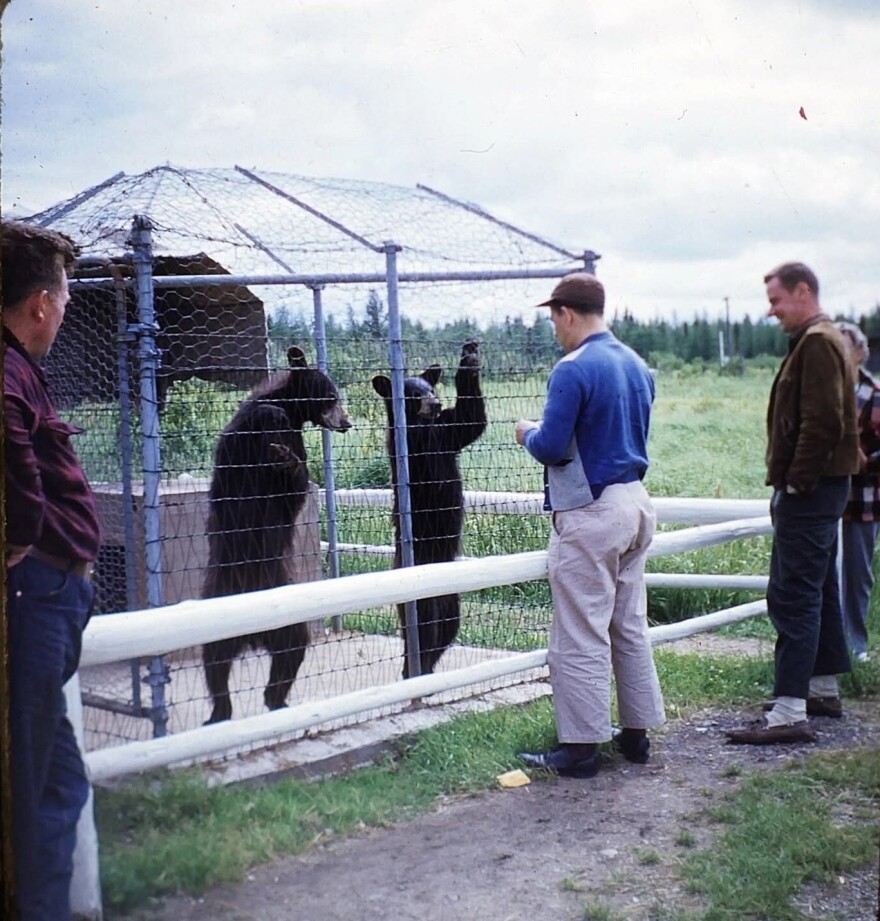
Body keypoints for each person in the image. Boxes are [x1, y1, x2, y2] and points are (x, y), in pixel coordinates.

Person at [513, 272, 665, 778]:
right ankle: (637, 735)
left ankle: (580, 749)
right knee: (629, 625)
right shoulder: (637, 364)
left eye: (554, 318)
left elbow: (553, 446)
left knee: (579, 631)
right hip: (636, 502)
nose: (554, 329)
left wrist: (526, 434)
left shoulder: (572, 369)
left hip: (592, 510)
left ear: (568, 313)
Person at [3, 221, 101, 920]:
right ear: (41, 301)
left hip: (47, 592)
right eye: (65, 296)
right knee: (32, 788)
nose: (66, 310)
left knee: (56, 781)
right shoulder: (8, 373)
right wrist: (23, 528)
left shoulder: (17, 366)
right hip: (34, 594)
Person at [727, 263, 858, 745]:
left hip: (813, 489)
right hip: (826, 487)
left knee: (793, 594)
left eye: (777, 300)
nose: (772, 310)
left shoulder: (818, 342)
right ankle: (819, 689)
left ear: (804, 292)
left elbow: (822, 422)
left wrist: (798, 484)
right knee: (818, 588)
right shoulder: (824, 338)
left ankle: (788, 712)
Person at [835, 321, 879, 663]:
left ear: (860, 352)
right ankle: (833, 647)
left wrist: (864, 463)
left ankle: (857, 646)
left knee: (857, 574)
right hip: (823, 500)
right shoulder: (823, 391)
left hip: (861, 501)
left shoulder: (873, 395)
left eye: (846, 348)